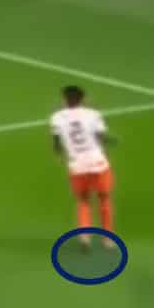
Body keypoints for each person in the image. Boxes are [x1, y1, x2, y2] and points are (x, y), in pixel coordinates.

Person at [49, 85, 117, 246]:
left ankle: (84, 235)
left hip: (77, 166)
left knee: (83, 200)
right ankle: (107, 238)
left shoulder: (56, 117)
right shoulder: (93, 114)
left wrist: (59, 154)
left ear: (64, 100)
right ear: (84, 99)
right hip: (98, 164)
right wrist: (112, 140)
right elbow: (101, 136)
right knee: (104, 198)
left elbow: (57, 143)